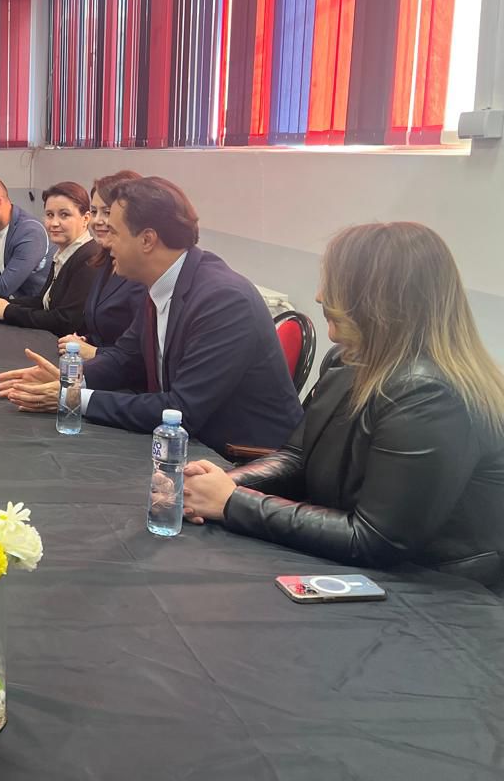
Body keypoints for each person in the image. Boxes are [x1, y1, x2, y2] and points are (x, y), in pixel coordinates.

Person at [182, 223, 504, 587]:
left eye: (336, 286)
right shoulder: (347, 361)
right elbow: (297, 457)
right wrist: (217, 485)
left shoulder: (430, 393)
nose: (319, 296)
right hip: (362, 563)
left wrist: (231, 502)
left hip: (437, 592)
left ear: (381, 300)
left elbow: (376, 539)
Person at [0, 177, 302, 456]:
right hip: (187, 445)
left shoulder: (223, 301)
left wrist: (75, 398)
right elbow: (126, 357)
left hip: (239, 458)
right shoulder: (161, 283)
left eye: (114, 232)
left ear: (147, 240)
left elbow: (182, 409)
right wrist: (71, 379)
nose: (105, 242)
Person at [0, 181, 101, 336]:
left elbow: (65, 321)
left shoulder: (89, 258)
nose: (54, 223)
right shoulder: (64, 254)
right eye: (49, 215)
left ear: (86, 219)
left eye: (64, 215)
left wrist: (7, 311)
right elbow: (43, 301)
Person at [56, 170, 146, 358]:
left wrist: (93, 351)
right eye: (95, 212)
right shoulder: (104, 260)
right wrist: (85, 340)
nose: (97, 221)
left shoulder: (141, 273)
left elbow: (139, 354)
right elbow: (102, 330)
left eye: (107, 212)